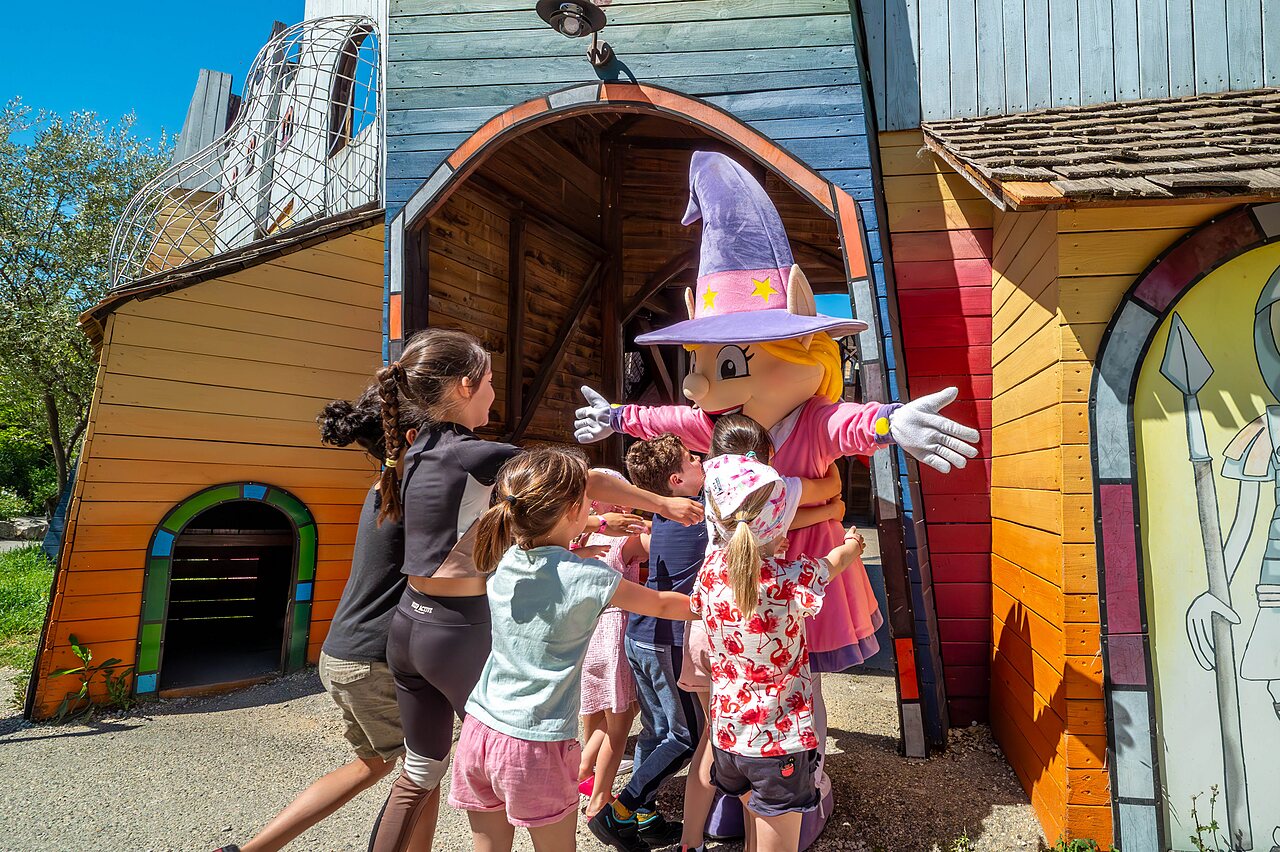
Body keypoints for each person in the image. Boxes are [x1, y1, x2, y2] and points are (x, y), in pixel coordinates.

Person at [367, 328, 703, 852]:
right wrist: (661, 505)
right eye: (491, 384)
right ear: (463, 387)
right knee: (516, 739)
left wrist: (574, 546)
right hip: (454, 627)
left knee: (421, 771)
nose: (496, 395)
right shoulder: (471, 453)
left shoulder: (415, 449)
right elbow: (584, 482)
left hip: (409, 623)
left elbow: (517, 524)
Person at [451, 446, 697, 852]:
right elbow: (662, 604)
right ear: (572, 510)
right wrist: (726, 601)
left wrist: (588, 533)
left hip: (479, 730)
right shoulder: (588, 577)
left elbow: (556, 552)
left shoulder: (508, 556)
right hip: (535, 744)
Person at [214, 387, 422, 852]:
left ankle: (249, 851)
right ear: (412, 438)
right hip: (373, 660)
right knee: (421, 769)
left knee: (374, 763)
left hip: (343, 652)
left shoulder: (384, 488)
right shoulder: (415, 495)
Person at [676, 415, 845, 852]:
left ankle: (690, 841)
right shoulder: (790, 575)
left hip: (725, 707)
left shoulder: (711, 569)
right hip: (778, 739)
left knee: (723, 773)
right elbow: (833, 560)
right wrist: (846, 535)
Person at [575, 469, 648, 820]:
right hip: (615, 632)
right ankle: (599, 798)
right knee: (619, 725)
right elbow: (656, 547)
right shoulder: (624, 542)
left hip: (588, 634)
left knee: (602, 710)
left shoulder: (575, 544)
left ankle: (583, 772)